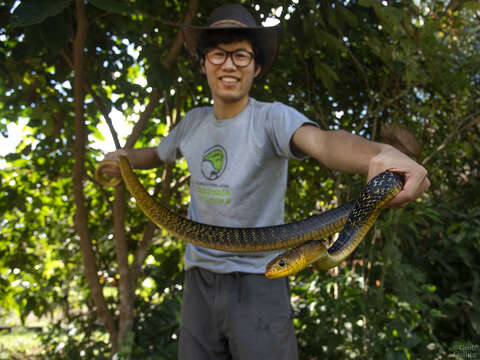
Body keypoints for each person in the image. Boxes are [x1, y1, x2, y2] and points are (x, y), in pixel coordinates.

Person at [98, 4, 430, 359]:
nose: (228, 64)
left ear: (256, 66)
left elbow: (324, 143)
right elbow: (156, 154)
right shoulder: (191, 123)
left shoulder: (272, 119)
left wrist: (379, 153)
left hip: (261, 278)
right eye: (217, 54)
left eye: (240, 55)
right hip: (199, 278)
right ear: (203, 63)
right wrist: (123, 159)